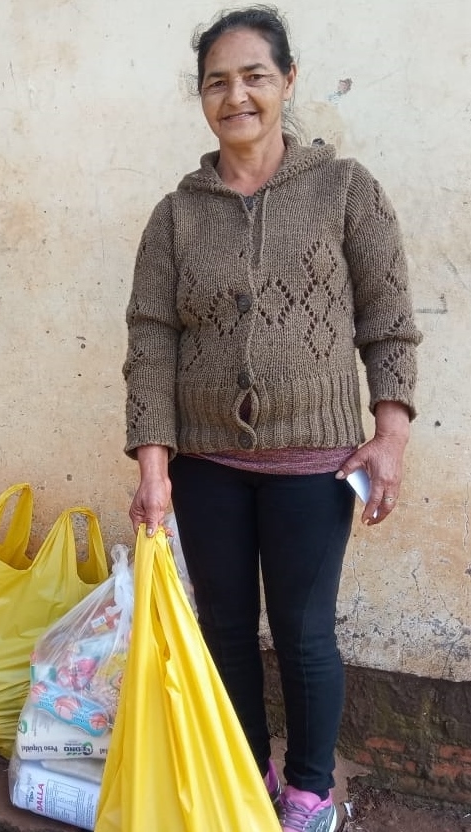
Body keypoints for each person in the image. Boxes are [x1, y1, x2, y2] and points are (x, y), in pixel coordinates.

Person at [123, 7, 420, 831]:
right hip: (206, 461)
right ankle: (243, 771)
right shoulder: (175, 216)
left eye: (254, 75)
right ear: (202, 97)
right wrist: (153, 465)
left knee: (302, 633)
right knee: (223, 625)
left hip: (316, 463)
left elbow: (387, 320)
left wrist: (388, 436)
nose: (236, 95)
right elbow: (149, 342)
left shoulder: (346, 189)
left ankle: (310, 793)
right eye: (217, 81)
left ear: (288, 82)